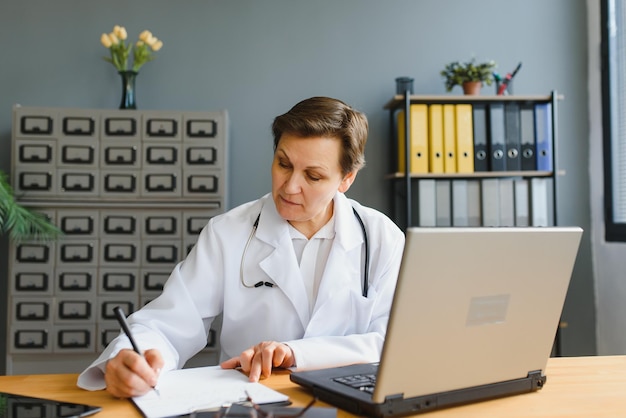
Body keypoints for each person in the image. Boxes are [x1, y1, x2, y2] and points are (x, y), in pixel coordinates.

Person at [77, 96, 405, 398]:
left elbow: (394, 342)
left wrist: (296, 354)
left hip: (349, 402)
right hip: (249, 401)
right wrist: (134, 358)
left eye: (313, 176)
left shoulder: (381, 238)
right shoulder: (228, 233)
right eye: (284, 164)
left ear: (346, 178)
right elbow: (168, 323)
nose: (290, 186)